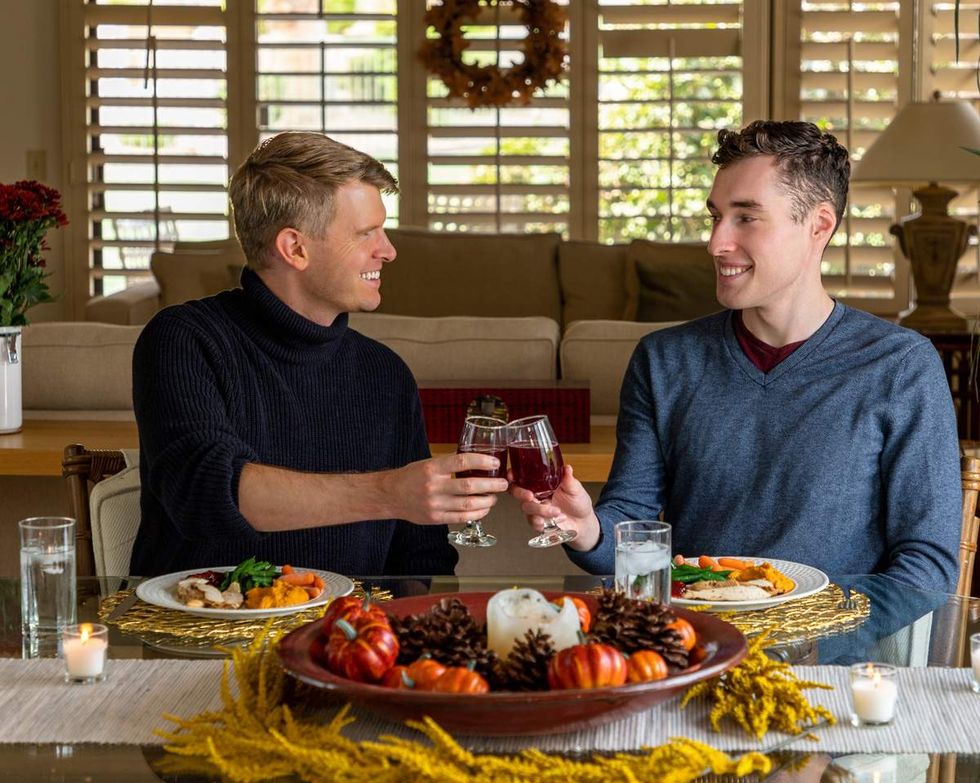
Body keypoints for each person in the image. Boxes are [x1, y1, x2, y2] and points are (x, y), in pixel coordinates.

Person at [511, 120, 961, 593]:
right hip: (697, 647)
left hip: (830, 659)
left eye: (746, 217)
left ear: (818, 225)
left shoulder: (901, 366)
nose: (715, 243)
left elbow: (926, 569)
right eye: (715, 217)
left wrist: (804, 633)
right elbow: (632, 527)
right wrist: (588, 530)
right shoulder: (664, 361)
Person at [129, 132, 508, 577]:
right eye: (366, 233)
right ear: (295, 248)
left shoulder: (384, 372)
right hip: (203, 636)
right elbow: (204, 493)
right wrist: (389, 492)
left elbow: (422, 556)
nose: (387, 251)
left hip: (350, 640)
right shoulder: (184, 340)